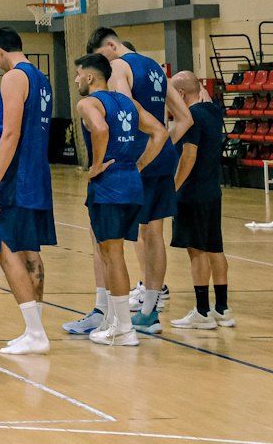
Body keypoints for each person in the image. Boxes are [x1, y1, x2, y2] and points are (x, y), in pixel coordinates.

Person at [86, 28, 188, 334]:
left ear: (111, 45)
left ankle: (105, 311)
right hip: (162, 157)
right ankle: (149, 311)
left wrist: (139, 155)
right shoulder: (156, 68)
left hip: (132, 161)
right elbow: (184, 118)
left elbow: (126, 111)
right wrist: (162, 145)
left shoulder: (119, 66)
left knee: (103, 236)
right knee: (153, 233)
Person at [0, 26, 56, 355]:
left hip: (17, 175)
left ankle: (36, 332)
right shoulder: (42, 79)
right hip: (38, 173)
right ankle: (35, 330)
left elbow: (9, 134)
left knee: (3, 246)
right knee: (29, 251)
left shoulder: (13, 78)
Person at [73, 53, 146, 347]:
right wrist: (137, 164)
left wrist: (96, 165)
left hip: (109, 186)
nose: (77, 79)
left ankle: (124, 328)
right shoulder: (128, 101)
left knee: (111, 254)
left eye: (79, 74)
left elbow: (101, 129)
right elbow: (158, 132)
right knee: (110, 253)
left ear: (91, 77)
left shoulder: (87, 103)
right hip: (131, 181)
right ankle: (116, 321)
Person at [168, 71, 235, 330]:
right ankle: (222, 308)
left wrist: (173, 188)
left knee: (196, 251)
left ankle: (202, 311)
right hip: (212, 191)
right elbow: (204, 97)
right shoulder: (213, 111)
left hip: (192, 192)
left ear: (181, 95)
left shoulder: (191, 118)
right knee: (215, 249)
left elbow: (188, 157)